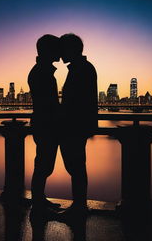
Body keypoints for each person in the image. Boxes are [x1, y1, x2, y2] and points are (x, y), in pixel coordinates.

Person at [59, 33, 98, 216]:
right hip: (77, 126)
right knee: (77, 167)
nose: (60, 53)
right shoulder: (82, 67)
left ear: (70, 49)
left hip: (74, 127)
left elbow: (77, 101)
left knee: (76, 167)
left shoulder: (81, 69)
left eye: (62, 48)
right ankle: (79, 205)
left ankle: (79, 207)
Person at [28, 34, 61, 209]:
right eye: (57, 48)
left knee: (43, 164)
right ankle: (38, 202)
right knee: (43, 166)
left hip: (43, 124)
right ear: (49, 51)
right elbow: (48, 104)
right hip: (46, 126)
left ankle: (39, 200)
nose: (60, 52)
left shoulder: (41, 70)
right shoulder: (42, 73)